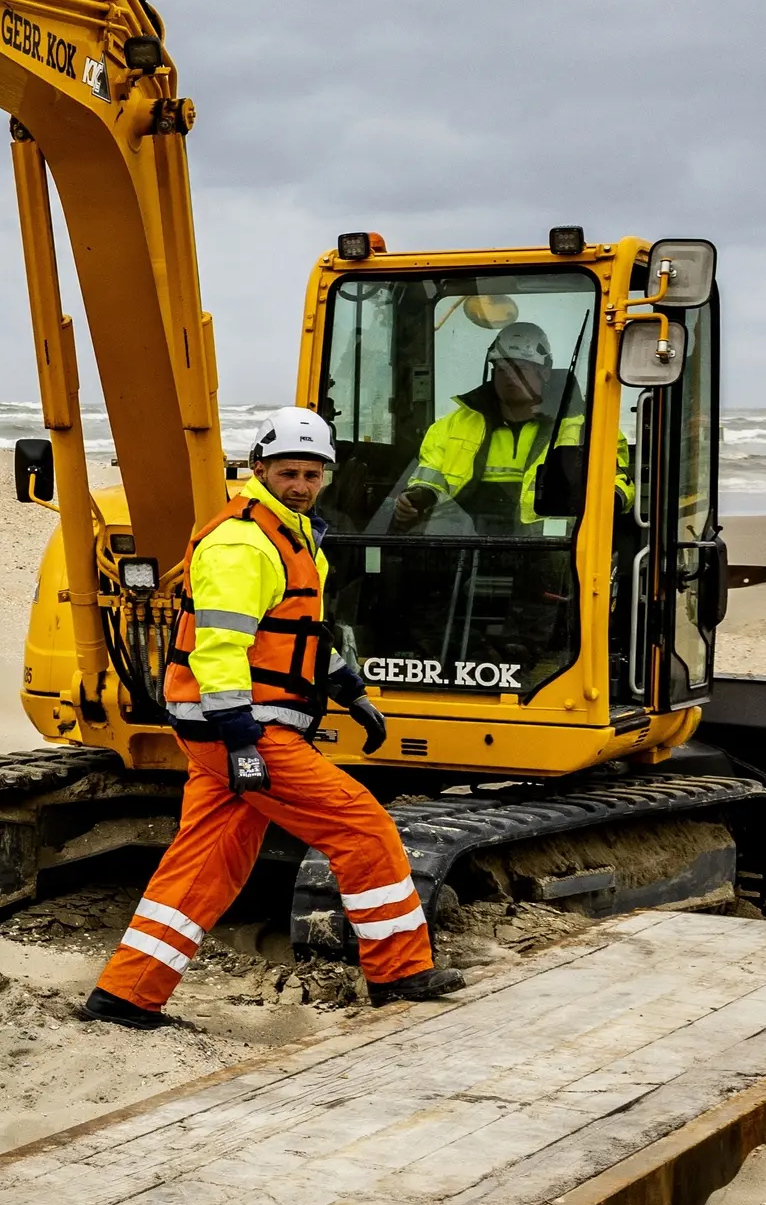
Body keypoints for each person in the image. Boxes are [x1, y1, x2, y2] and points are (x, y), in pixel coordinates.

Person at [84, 408, 464, 1029]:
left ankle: (125, 995)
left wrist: (346, 685)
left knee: (207, 860)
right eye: (289, 472)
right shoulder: (242, 543)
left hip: (232, 728)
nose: (302, 485)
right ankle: (398, 974)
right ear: (259, 469)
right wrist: (240, 739)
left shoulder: (293, 535)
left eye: (313, 474)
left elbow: (297, 633)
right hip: (241, 727)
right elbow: (221, 648)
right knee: (363, 827)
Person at [391, 321, 584, 530]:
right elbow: (430, 476)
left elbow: (614, 484)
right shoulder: (453, 426)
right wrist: (415, 498)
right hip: (468, 542)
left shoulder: (585, 428)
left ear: (545, 372)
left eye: (520, 368)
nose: (510, 375)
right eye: (502, 368)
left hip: (553, 548)